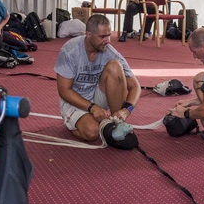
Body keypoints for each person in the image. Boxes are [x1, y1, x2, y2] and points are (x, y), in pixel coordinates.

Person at [55, 14, 141, 142]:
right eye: (102, 36)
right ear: (89, 35)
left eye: (109, 35)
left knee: (115, 67)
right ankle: (74, 123)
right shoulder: (69, 51)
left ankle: (116, 123)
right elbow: (64, 91)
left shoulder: (110, 52)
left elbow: (135, 86)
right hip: (74, 100)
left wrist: (126, 110)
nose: (108, 40)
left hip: (95, 96)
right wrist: (92, 108)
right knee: (92, 133)